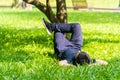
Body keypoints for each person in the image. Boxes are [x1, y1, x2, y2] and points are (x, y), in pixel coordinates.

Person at [42, 18, 108, 66]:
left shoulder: (69, 59)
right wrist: (90, 65)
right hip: (76, 45)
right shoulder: (87, 60)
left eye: (78, 53)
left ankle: (53, 27)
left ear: (76, 57)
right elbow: (105, 63)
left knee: (58, 31)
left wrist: (73, 67)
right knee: (77, 26)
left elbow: (60, 63)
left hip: (62, 47)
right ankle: (51, 26)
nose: (78, 51)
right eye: (80, 51)